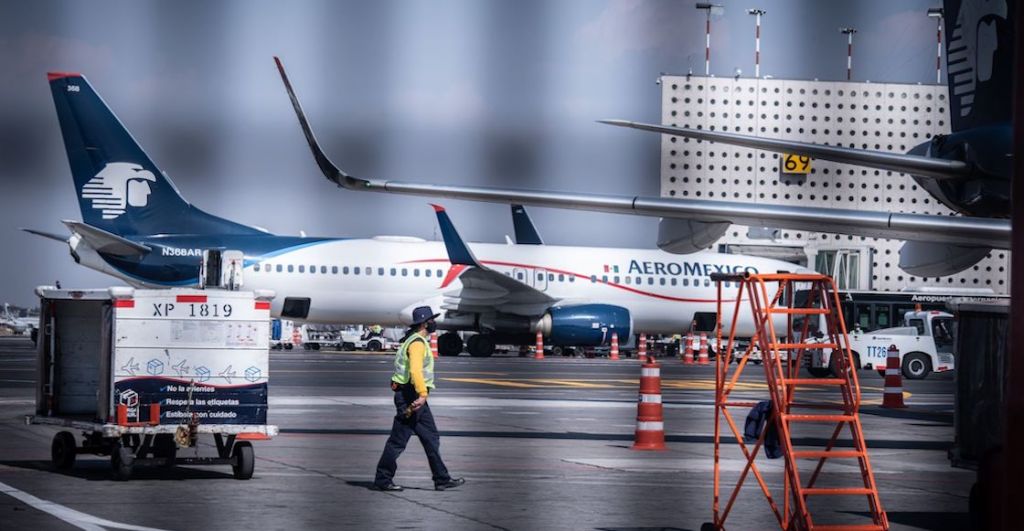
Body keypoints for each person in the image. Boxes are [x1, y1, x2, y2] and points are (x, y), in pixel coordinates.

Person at [373, 306, 465, 492]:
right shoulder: (417, 343)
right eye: (431, 320)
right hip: (411, 397)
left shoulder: (413, 340)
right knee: (398, 440)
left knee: (431, 437)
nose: (434, 323)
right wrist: (423, 395)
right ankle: (383, 479)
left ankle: (442, 478)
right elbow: (415, 371)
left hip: (411, 395)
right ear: (425, 323)